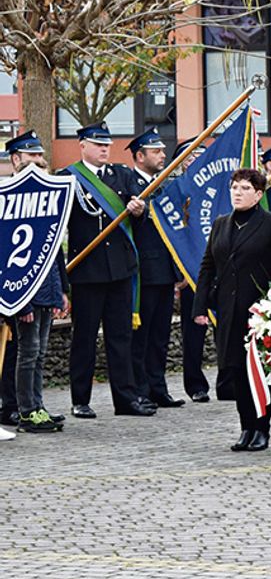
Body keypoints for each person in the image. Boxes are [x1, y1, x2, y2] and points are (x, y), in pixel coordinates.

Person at [63, 122, 152, 419]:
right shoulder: (69, 178)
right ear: (83, 146)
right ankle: (80, 399)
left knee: (121, 336)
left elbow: (139, 213)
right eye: (98, 144)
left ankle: (125, 399)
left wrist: (141, 210)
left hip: (120, 270)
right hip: (88, 271)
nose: (104, 149)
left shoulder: (122, 175)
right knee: (84, 338)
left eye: (107, 145)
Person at [194, 169, 271, 451]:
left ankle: (262, 428)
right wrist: (201, 305)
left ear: (258, 194)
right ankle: (246, 427)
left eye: (245, 188)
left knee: (258, 371)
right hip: (228, 311)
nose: (237, 192)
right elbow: (208, 266)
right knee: (236, 371)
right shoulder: (221, 224)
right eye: (234, 187)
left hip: (259, 311)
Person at [4, 132, 68, 433]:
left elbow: (54, 251)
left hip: (47, 290)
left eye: (40, 156)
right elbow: (9, 258)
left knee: (40, 353)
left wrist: (62, 291)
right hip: (25, 294)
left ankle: (38, 406)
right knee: (28, 353)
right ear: (15, 159)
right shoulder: (9, 199)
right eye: (31, 157)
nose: (38, 161)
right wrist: (22, 301)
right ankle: (26, 410)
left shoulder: (46, 196)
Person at [126, 128, 183, 410]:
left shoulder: (163, 185)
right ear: (140, 156)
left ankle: (158, 388)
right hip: (143, 272)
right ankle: (141, 389)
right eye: (156, 151)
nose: (162, 155)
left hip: (164, 271)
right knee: (142, 336)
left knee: (160, 336)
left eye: (162, 151)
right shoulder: (129, 184)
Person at [173, 138, 211, 403]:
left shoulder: (219, 188)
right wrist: (179, 275)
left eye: (201, 155)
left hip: (220, 269)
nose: (195, 160)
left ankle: (229, 381)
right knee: (193, 331)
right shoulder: (176, 191)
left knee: (227, 329)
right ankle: (195, 384)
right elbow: (171, 234)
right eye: (190, 155)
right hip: (190, 273)